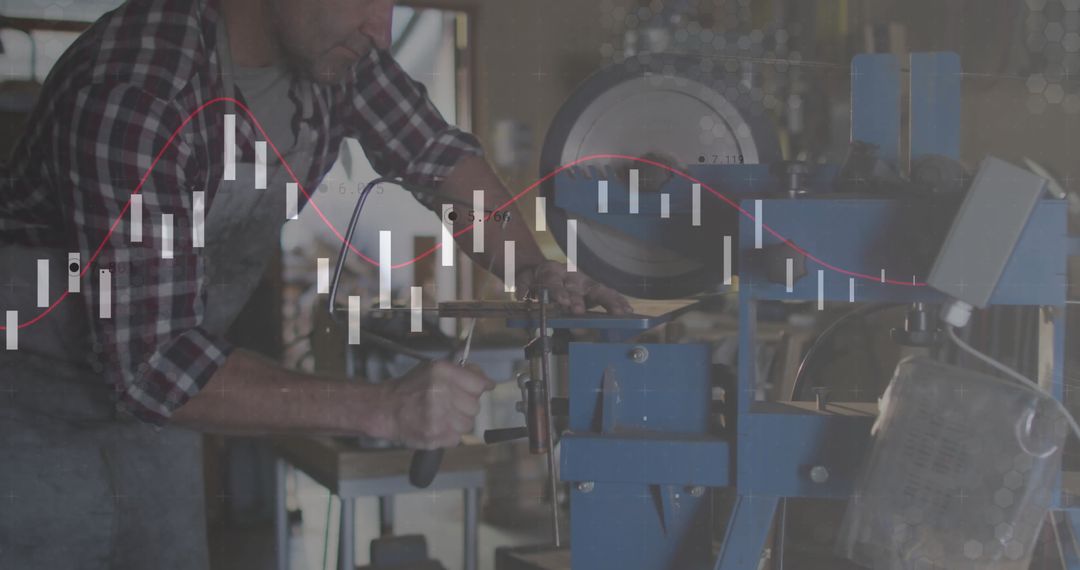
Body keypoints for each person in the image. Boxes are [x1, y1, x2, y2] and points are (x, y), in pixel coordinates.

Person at [0, 0, 631, 567]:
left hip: (157, 410)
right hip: (32, 409)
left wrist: (531, 269)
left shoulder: (343, 49)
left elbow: (437, 157)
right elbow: (153, 363)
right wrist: (383, 408)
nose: (381, 29)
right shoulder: (142, 86)